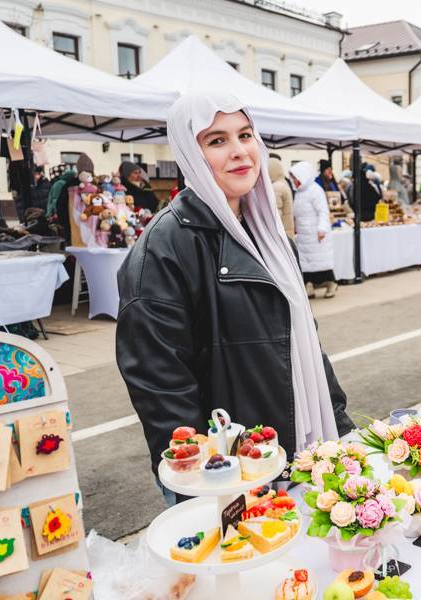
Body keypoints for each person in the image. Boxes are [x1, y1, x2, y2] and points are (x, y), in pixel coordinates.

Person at [116, 92, 353, 490]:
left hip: (298, 449)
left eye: (245, 135)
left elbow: (304, 340)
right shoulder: (165, 246)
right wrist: (206, 477)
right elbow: (161, 385)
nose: (241, 151)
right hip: (233, 470)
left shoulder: (271, 236)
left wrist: (340, 424)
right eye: (217, 140)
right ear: (189, 154)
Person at [290, 161, 338, 299]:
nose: (294, 180)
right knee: (307, 263)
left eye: (295, 177)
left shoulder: (315, 190)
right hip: (304, 235)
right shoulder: (299, 192)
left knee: (321, 262)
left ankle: (331, 284)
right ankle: (309, 285)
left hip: (316, 234)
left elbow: (323, 211)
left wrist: (322, 229)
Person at [268, 157, 294, 239]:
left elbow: (275, 216)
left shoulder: (276, 187)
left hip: (281, 235)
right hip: (287, 232)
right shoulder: (284, 183)